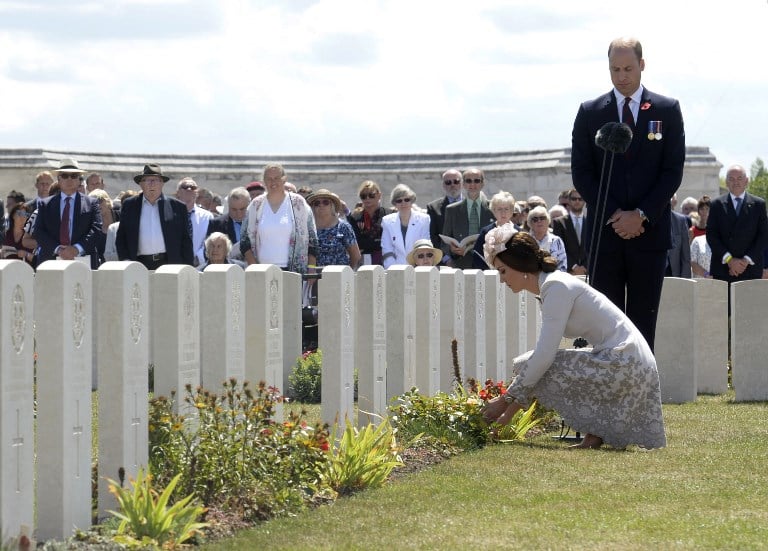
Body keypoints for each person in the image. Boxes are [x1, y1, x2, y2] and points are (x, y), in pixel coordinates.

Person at [481, 229, 666, 450]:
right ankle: (593, 436)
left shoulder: (555, 287)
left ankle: (504, 425)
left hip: (625, 363)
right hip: (629, 362)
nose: (502, 280)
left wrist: (503, 401)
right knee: (532, 366)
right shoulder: (552, 285)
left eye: (502, 271)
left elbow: (544, 356)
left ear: (520, 266)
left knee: (528, 364)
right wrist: (505, 412)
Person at [571, 36, 685, 351]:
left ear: (642, 66)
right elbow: (582, 172)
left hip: (650, 235)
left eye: (628, 68)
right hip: (605, 235)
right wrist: (616, 215)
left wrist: (641, 215)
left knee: (642, 320)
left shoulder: (667, 109)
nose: (622, 76)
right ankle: (606, 393)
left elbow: (672, 171)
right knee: (605, 320)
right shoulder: (590, 111)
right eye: (615, 69)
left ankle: (640, 393)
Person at [240, 163, 318, 274]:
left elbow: (312, 238)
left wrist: (311, 266)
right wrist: (255, 268)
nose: (273, 182)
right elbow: (244, 240)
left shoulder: (298, 203)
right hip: (263, 271)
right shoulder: (255, 205)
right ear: (264, 181)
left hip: (294, 271)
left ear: (284, 179)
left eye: (277, 178)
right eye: (269, 179)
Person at [115, 164, 194, 269]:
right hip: (138, 264)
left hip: (170, 264)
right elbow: (121, 238)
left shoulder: (177, 207)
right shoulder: (130, 205)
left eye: (155, 180)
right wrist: (126, 261)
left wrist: (187, 268)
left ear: (162, 183)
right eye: (147, 180)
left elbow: (186, 242)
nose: (151, 184)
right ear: (141, 184)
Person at [33, 158, 103, 269]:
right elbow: (38, 232)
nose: (69, 179)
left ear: (79, 180)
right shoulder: (45, 204)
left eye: (74, 176)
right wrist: (59, 250)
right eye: (65, 176)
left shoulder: (91, 203)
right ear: (59, 180)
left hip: (83, 259)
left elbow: (97, 230)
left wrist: (76, 249)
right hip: (51, 260)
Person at [706, 165, 768, 283]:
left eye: (739, 178)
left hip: (750, 268)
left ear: (746, 181)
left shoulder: (759, 204)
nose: (736, 182)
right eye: (731, 179)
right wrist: (730, 260)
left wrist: (745, 261)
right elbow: (712, 235)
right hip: (723, 268)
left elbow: (763, 236)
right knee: (725, 302)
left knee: (749, 301)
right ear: (726, 182)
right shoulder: (716, 205)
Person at [440, 167, 494, 269]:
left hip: (488, 265)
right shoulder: (452, 210)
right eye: (468, 181)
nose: (472, 184)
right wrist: (452, 250)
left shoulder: (493, 207)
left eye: (476, 180)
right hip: (462, 265)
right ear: (463, 184)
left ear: (482, 183)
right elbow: (444, 244)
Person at [309, 188, 361, 269]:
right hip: (315, 276)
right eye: (317, 203)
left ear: (332, 205)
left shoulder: (343, 227)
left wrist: (349, 272)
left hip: (339, 275)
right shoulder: (309, 228)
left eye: (325, 202)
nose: (321, 205)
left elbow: (355, 255)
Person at [381, 184, 430, 268]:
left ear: (411, 201)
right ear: (395, 204)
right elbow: (387, 249)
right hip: (395, 268)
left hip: (419, 267)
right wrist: (393, 270)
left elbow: (424, 247)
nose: (403, 203)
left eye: (406, 200)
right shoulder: (387, 221)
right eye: (399, 201)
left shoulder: (424, 219)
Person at [346, 180, 389, 266]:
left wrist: (367, 243)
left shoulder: (389, 214)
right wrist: (376, 242)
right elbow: (357, 243)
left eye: (371, 195)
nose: (367, 198)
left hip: (385, 258)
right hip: (363, 260)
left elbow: (388, 241)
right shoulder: (355, 217)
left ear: (379, 195)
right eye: (363, 196)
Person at [473, 191, 517, 269]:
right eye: (499, 209)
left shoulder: (519, 232)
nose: (503, 213)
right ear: (493, 211)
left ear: (511, 211)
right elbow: (477, 256)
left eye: (506, 209)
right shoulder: (486, 231)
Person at [176, 177, 213, 268]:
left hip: (200, 265)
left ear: (196, 193)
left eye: (193, 187)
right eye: (185, 187)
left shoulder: (207, 217)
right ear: (178, 193)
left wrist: (198, 258)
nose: (189, 189)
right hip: (175, 264)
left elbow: (209, 240)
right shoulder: (170, 215)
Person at [551, 189, 588, 275]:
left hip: (587, 272)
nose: (577, 201)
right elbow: (559, 248)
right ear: (569, 200)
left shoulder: (591, 223)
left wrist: (585, 267)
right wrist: (574, 266)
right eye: (574, 199)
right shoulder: (559, 223)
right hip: (568, 272)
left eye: (580, 199)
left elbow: (593, 248)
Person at [426, 168, 463, 254]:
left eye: (456, 181)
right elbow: (433, 236)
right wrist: (445, 258)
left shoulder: (471, 204)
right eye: (448, 182)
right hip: (445, 260)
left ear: (462, 183)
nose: (452, 185)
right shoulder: (433, 208)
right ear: (443, 185)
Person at [526, 206, 567, 272]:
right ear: (530, 223)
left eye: (542, 218)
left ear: (548, 221)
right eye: (535, 219)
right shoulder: (526, 241)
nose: (539, 221)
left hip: (552, 279)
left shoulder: (556, 240)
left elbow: (562, 265)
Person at [88, 189, 115, 265]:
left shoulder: (121, 216)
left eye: (99, 201)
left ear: (108, 201)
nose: (97, 204)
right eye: (92, 202)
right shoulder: (92, 225)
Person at [666, 206, 691, 277]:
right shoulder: (647, 218)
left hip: (674, 275)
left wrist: (685, 282)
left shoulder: (680, 220)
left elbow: (685, 257)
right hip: (653, 275)